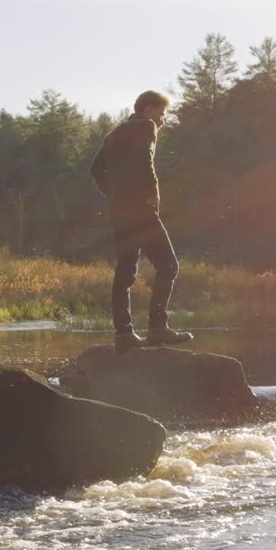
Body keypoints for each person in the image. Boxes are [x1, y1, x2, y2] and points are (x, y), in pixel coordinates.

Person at [90, 90, 194, 353]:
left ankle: (124, 334)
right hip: (140, 209)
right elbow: (144, 159)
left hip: (118, 212)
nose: (162, 120)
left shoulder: (113, 134)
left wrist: (114, 194)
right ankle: (158, 328)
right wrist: (151, 194)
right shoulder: (145, 126)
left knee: (125, 273)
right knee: (168, 266)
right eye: (161, 113)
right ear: (148, 110)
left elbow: (95, 170)